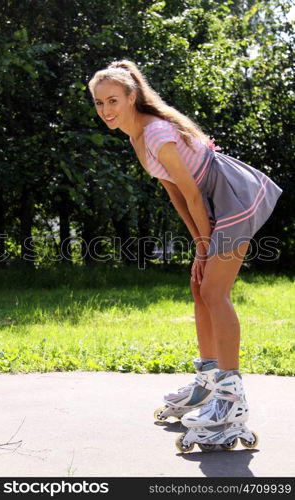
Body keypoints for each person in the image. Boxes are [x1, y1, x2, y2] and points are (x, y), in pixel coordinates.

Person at [88, 60, 283, 450]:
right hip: (211, 204)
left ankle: (231, 400)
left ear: (131, 97)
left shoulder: (157, 133)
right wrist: (199, 246)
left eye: (113, 100)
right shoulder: (137, 138)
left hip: (231, 195)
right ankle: (209, 382)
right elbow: (176, 194)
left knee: (214, 292)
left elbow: (195, 193)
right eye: (98, 103)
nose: (106, 110)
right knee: (199, 286)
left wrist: (207, 242)